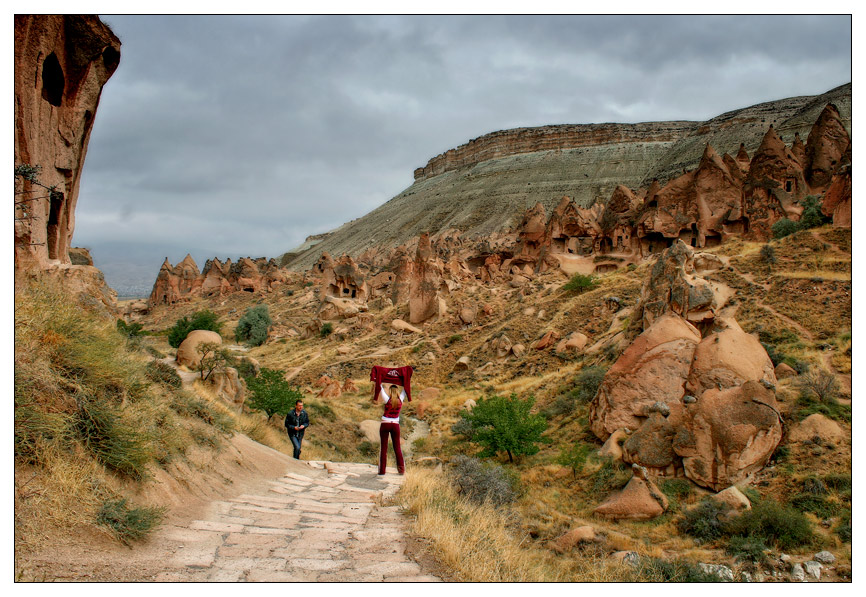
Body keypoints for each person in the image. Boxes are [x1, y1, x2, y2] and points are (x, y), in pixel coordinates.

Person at [375, 383, 406, 475]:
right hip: (395, 425)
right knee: (397, 448)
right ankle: (401, 470)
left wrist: (379, 381)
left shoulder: (387, 399)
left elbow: (380, 388)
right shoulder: (400, 399)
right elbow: (405, 389)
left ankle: (382, 471)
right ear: (397, 391)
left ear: (390, 391)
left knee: (384, 448)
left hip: (385, 423)